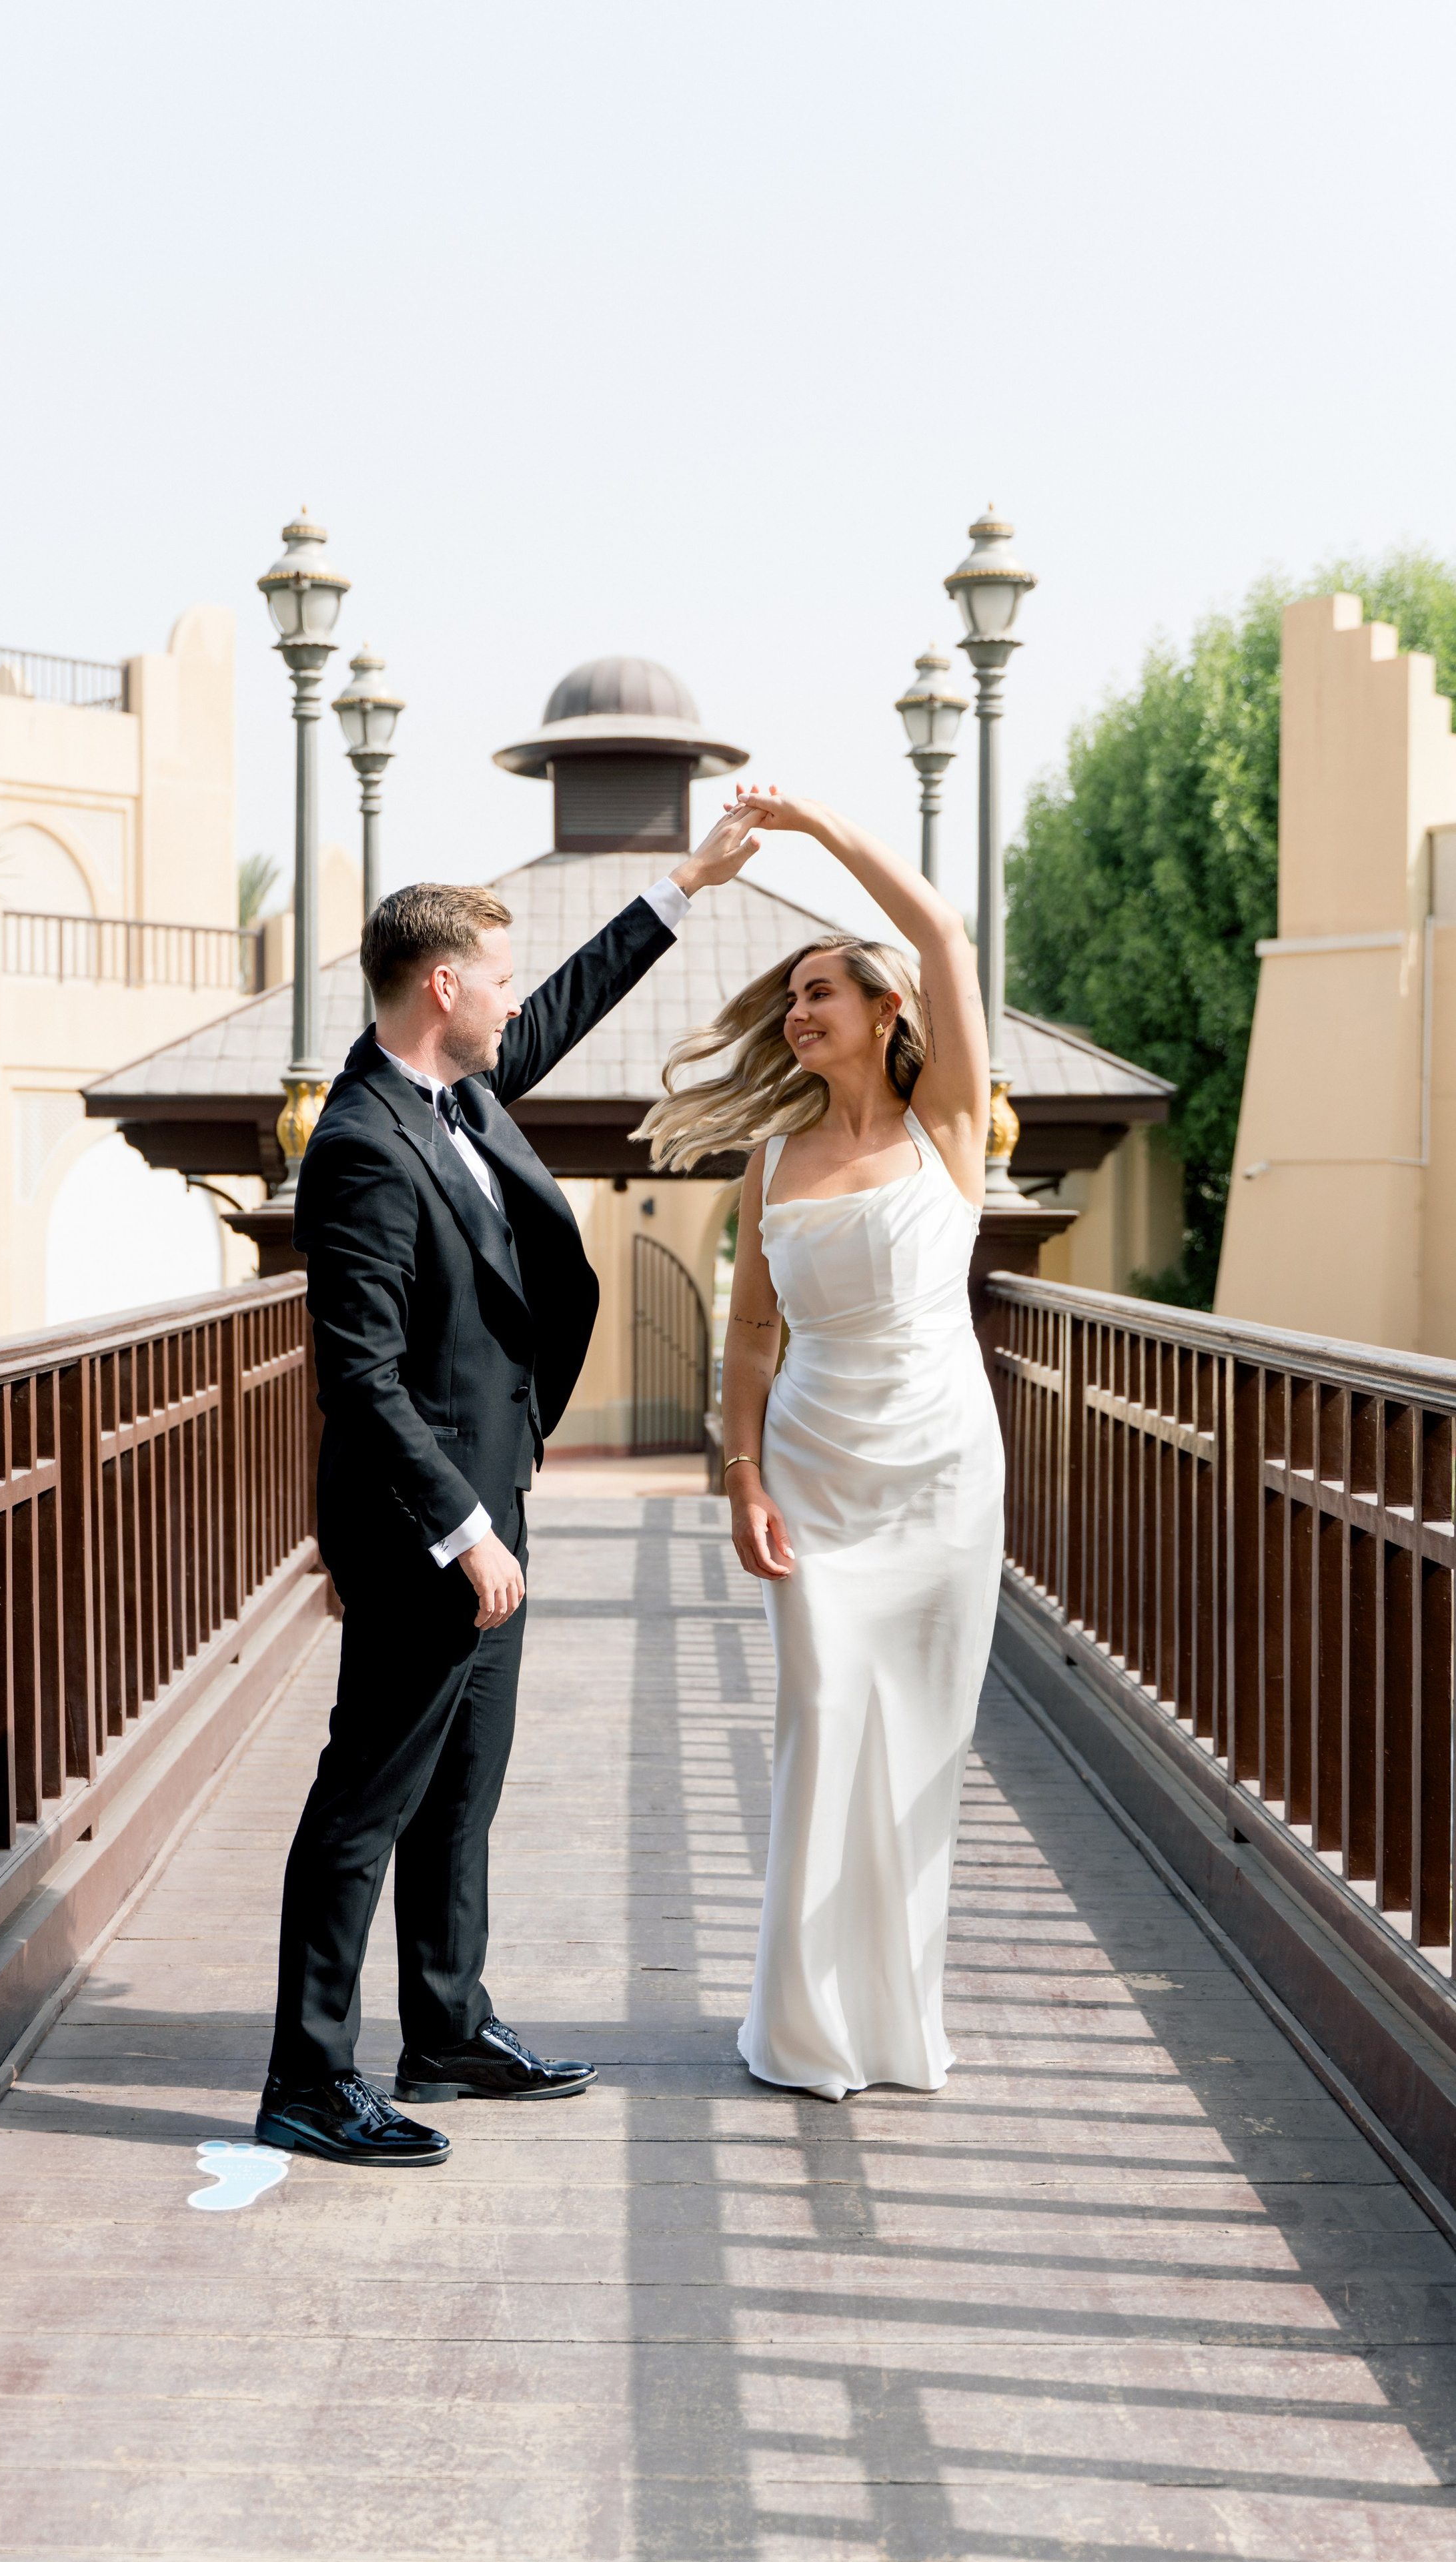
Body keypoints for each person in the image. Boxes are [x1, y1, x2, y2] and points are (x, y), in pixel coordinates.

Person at [259, 808, 761, 2167]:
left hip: (490, 1503)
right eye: (497, 976)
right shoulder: (363, 1141)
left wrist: (682, 886)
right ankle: (308, 2079)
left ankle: (444, 2024)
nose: (513, 998)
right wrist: (464, 1528)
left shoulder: (460, 1092)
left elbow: (563, 1015)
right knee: (367, 1797)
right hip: (427, 1525)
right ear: (441, 988)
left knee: (464, 1785)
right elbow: (359, 1379)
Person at [639, 785, 1002, 2102]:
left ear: (881, 1010)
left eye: (819, 995)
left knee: (919, 1740)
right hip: (812, 1472)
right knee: (822, 1718)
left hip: (942, 1472)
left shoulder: (949, 1123)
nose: (796, 1016)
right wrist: (736, 1476)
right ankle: (801, 2029)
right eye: (788, 999)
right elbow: (746, 1340)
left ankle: (895, 2023)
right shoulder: (771, 1159)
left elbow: (945, 937)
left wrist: (817, 836)